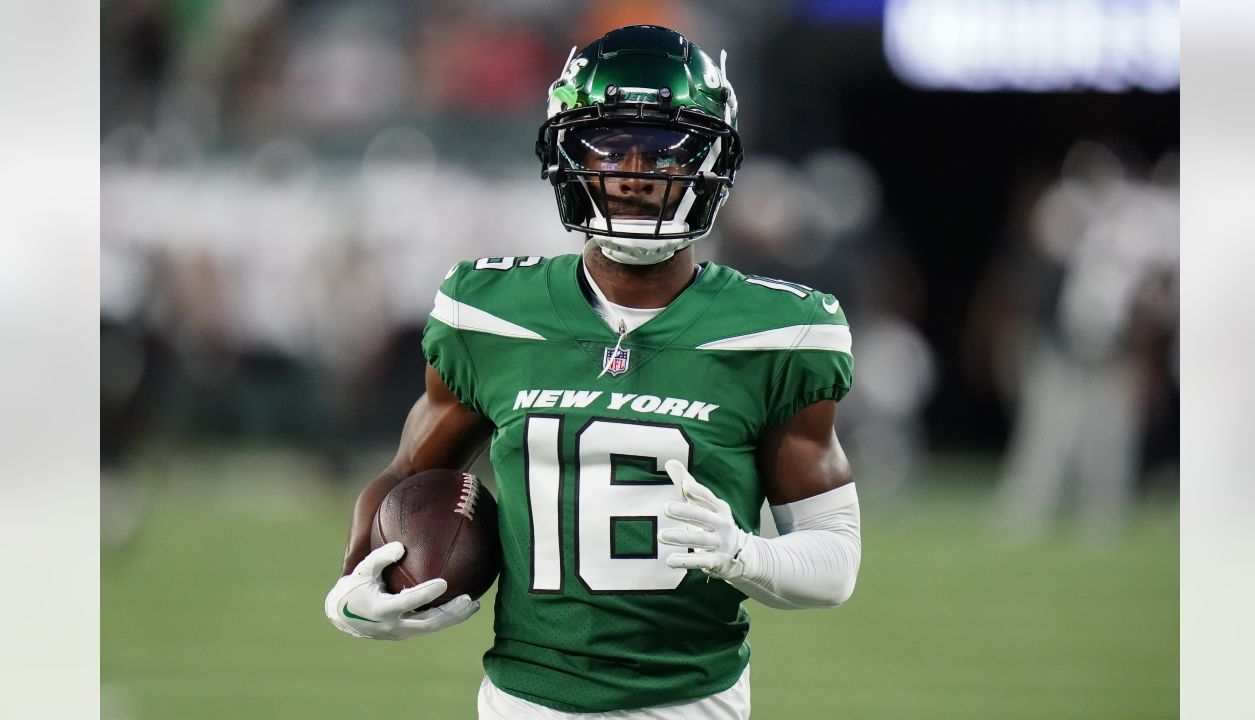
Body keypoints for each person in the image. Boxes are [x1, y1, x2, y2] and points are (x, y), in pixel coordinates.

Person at [324, 25, 862, 719]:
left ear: (711, 160)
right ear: (565, 154)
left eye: (666, 149)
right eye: (608, 146)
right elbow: (405, 476)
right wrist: (351, 583)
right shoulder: (487, 315)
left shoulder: (779, 332)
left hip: (691, 704)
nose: (635, 171)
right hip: (524, 702)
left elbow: (836, 561)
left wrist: (742, 554)